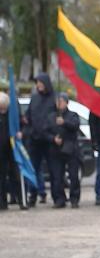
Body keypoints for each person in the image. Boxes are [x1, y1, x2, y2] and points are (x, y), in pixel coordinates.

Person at [24, 73, 56, 206]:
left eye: (40, 82)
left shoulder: (54, 98)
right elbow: (28, 115)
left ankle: (57, 197)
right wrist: (28, 126)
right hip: (35, 140)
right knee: (33, 169)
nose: (38, 85)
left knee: (53, 170)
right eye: (37, 83)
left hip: (49, 140)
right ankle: (32, 196)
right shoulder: (34, 98)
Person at [47, 94, 81, 209]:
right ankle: (59, 199)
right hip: (56, 149)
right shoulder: (51, 116)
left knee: (73, 175)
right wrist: (53, 138)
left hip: (70, 148)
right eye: (58, 101)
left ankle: (74, 198)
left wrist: (64, 123)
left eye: (61, 101)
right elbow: (45, 131)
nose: (59, 103)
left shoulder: (72, 115)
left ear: (66, 103)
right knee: (57, 176)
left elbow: (75, 126)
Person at [0, 91, 24, 210]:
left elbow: (22, 125)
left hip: (13, 148)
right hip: (1, 150)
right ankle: (2, 202)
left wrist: (21, 133)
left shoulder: (13, 114)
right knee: (1, 177)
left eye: (3, 107)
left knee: (16, 175)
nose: (2, 110)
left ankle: (22, 200)